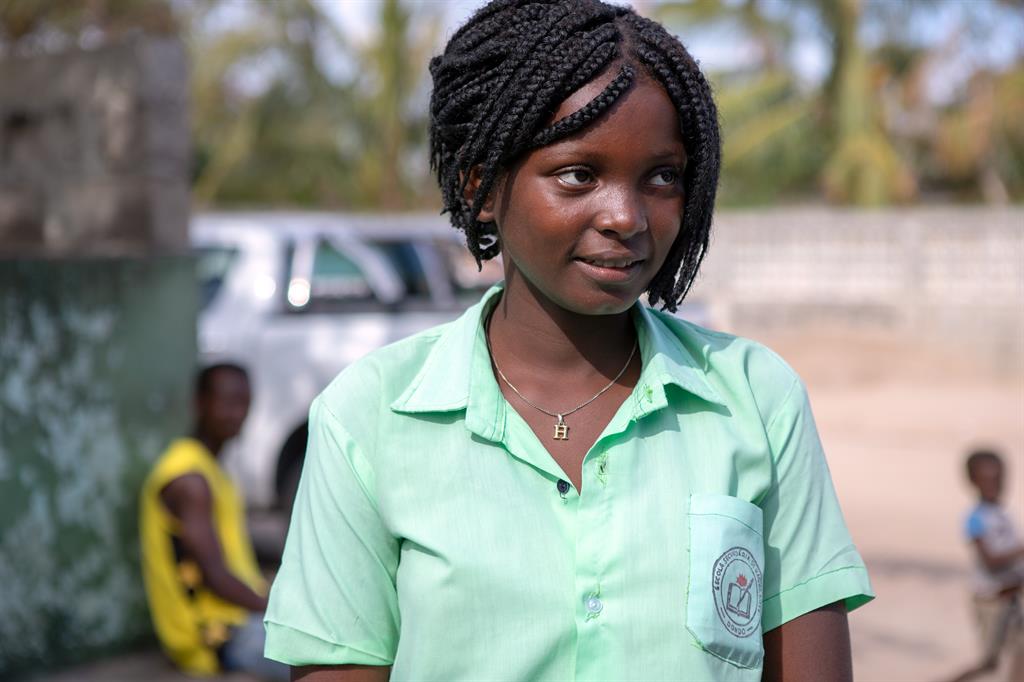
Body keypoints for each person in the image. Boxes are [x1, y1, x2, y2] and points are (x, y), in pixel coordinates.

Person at [264, 1, 873, 680]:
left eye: (661, 177)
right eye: (578, 175)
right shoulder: (369, 418)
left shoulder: (756, 401)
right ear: (482, 185)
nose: (626, 216)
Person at [140, 363, 287, 681]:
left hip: (238, 621)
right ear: (200, 403)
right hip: (216, 638)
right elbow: (214, 576)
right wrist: (277, 610)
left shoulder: (213, 470)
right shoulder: (189, 478)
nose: (237, 413)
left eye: (244, 402)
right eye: (227, 402)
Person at [949, 449, 1024, 682]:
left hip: (1011, 599)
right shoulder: (975, 517)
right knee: (988, 663)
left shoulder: (1002, 514)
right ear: (973, 481)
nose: (996, 484)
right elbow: (990, 561)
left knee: (1019, 653)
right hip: (991, 601)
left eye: (999, 478)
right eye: (988, 479)